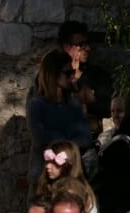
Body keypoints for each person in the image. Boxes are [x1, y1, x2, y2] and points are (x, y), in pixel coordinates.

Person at [27, 48, 93, 195]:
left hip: (71, 180)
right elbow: (39, 139)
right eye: (67, 73)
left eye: (73, 73)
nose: (72, 78)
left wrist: (58, 137)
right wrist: (68, 138)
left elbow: (86, 138)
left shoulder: (73, 104)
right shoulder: (37, 104)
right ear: (53, 74)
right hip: (44, 181)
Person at [35, 140, 99, 213]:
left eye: (54, 163)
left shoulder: (74, 192)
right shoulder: (49, 186)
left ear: (68, 164)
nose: (48, 166)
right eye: (47, 162)